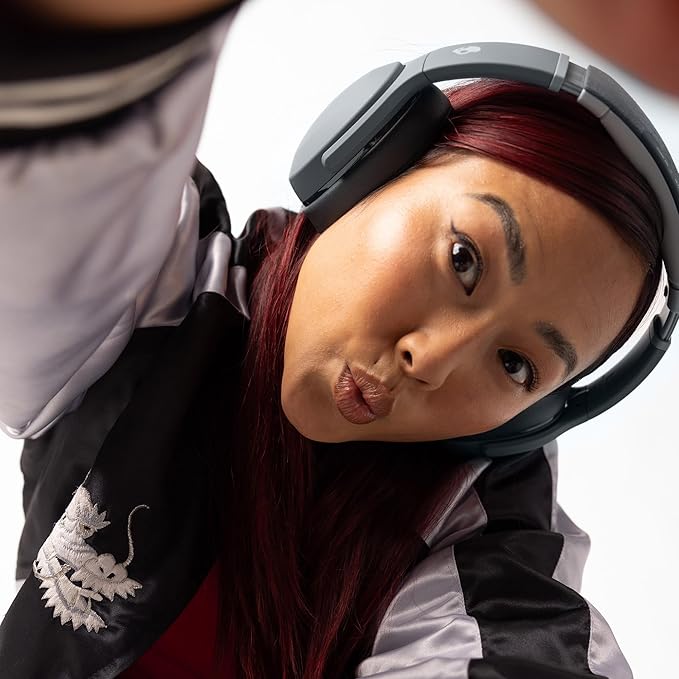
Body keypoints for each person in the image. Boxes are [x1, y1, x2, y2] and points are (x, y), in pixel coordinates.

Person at [0, 1, 665, 678]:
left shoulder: (485, 539)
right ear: (369, 164)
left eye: (516, 364)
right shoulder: (154, 288)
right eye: (463, 259)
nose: (432, 360)